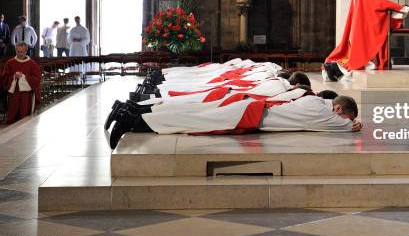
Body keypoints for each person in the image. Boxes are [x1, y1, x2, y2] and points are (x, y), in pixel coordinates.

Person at [109, 94, 361, 149]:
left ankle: (131, 117)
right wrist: (352, 124)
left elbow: (336, 122)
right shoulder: (320, 109)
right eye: (344, 114)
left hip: (249, 111)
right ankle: (131, 119)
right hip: (247, 114)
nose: (341, 118)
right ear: (338, 108)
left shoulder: (314, 102)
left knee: (191, 117)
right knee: (190, 120)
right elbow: (339, 125)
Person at [324, 0, 409, 81]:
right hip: (366, 27)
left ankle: (335, 68)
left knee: (360, 58)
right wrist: (403, 8)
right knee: (361, 59)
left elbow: (377, 5)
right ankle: (335, 68)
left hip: (362, 25)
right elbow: (381, 3)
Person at [1, 42, 41, 124]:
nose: (20, 54)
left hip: (26, 94)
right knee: (12, 114)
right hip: (13, 93)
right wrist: (14, 76)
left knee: (25, 116)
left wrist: (23, 77)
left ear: (26, 51)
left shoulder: (32, 64)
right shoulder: (10, 63)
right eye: (18, 51)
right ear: (15, 50)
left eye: (22, 52)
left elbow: (37, 79)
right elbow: (4, 78)